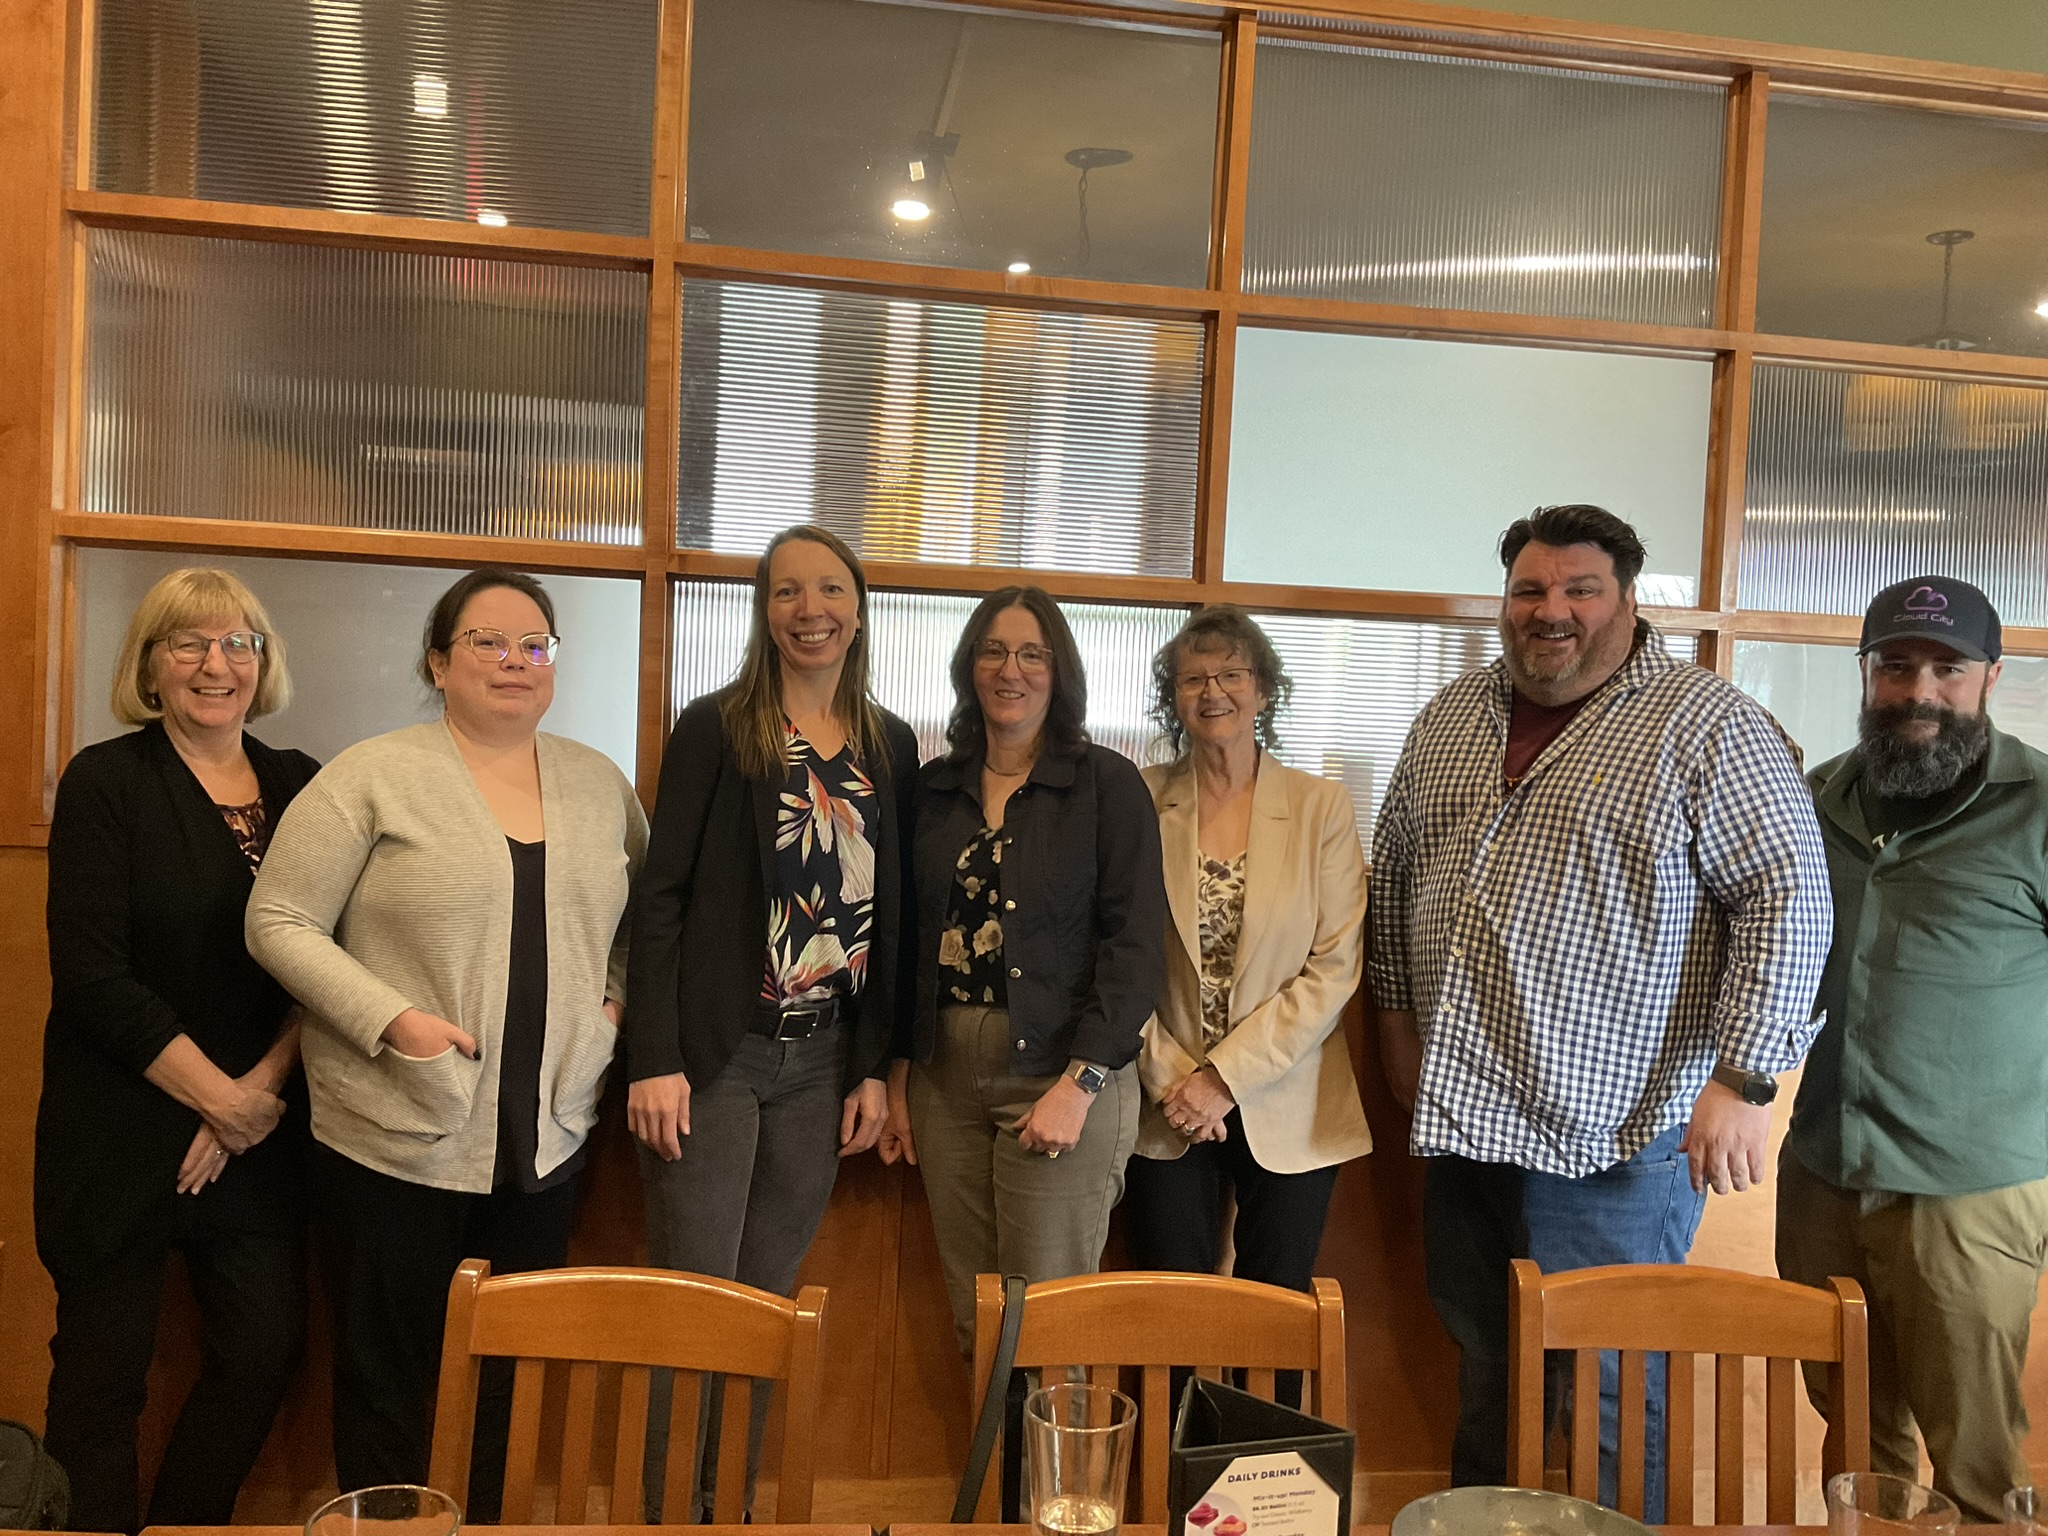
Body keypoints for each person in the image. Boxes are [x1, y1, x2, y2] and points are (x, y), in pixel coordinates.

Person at [1370, 504, 1831, 1517]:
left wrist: (1745, 1078)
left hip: (1616, 1139)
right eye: (1530, 590)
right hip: (1464, 1126)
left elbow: (1788, 896)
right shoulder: (1450, 716)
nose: (1551, 611)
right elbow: (1396, 876)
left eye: (1578, 590)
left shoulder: (1707, 723)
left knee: (1613, 1391)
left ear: (1625, 600)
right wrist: (1396, 1026)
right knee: (1486, 1370)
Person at [245, 566, 647, 1510]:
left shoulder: (598, 784)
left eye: (535, 645)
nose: (515, 661)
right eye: (488, 642)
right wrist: (394, 1022)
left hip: (546, 1137)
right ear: (438, 659)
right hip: (393, 1132)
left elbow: (639, 928)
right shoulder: (374, 774)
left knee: (511, 1370)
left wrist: (611, 1015)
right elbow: (279, 921)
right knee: (388, 1377)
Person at [626, 524, 918, 1517]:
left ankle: (729, 1508)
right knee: (693, 1301)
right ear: (763, 609)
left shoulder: (890, 744)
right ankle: (669, 1511)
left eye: (830, 589)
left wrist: (875, 1069)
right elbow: (659, 898)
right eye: (787, 591)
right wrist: (652, 1058)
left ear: (858, 605)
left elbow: (895, 912)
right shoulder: (718, 728)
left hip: (821, 1066)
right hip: (716, 1057)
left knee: (762, 1305)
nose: (811, 610)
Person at [37, 568, 317, 1535]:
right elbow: (93, 977)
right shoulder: (106, 780)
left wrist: (252, 1099)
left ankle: (183, 1527)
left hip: (259, 1121)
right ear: (150, 665)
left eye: (239, 642)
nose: (216, 664)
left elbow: (328, 960)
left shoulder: (302, 783)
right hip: (119, 1124)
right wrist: (214, 1100)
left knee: (262, 1350)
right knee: (101, 1381)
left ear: (263, 663)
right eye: (188, 643)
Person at [1777, 575, 2048, 1524]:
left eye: (1947, 668)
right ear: (1865, 673)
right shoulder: (1816, 802)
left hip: (1968, 1194)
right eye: (1896, 666)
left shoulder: (2041, 806)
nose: (1920, 691)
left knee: (1974, 1455)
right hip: (1823, 1171)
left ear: (1991, 677)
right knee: (1851, 1434)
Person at [884, 585, 1165, 1355]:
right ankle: (996, 1479)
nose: (1012, 670)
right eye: (995, 651)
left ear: (1060, 670)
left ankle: (1053, 1484)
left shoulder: (1107, 785)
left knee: (1046, 1321)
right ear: (970, 667)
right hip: (945, 1082)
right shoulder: (932, 790)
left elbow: (1136, 946)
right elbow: (907, 941)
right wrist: (900, 1073)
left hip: (1060, 1073)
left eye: (1033, 653)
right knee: (975, 1315)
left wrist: (1080, 1086)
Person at [1123, 606, 1371, 1402]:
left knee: (1274, 1317)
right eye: (1193, 677)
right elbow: (1110, 954)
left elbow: (1333, 968)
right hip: (1164, 1097)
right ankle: (1167, 1496)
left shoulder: (1319, 807)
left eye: (1231, 673)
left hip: (1288, 1095)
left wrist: (1223, 1078)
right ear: (1173, 697)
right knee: (1169, 1310)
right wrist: (1173, 1076)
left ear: (1264, 689)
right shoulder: (1137, 798)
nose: (1213, 691)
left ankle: (1259, 1503)